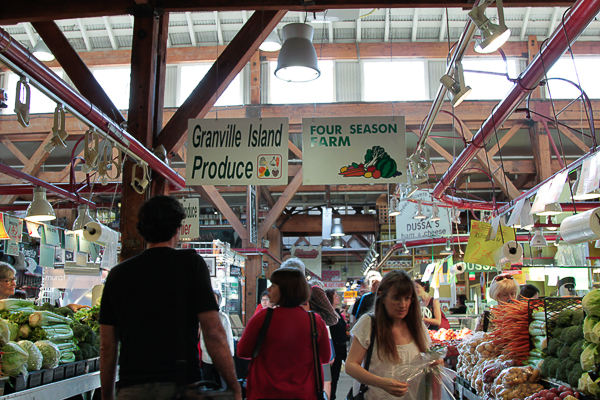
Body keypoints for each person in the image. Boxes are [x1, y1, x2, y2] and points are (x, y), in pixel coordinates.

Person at [99, 195, 241, 400]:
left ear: (142, 230)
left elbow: (107, 345)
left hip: (132, 388)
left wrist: (106, 396)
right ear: (178, 229)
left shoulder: (118, 275)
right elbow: (213, 332)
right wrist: (233, 386)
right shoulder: (190, 265)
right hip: (181, 386)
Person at [237, 258, 330, 400]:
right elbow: (325, 358)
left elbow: (242, 351)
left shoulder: (262, 317)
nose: (268, 289)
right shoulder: (315, 321)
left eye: (273, 285)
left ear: (286, 289)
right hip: (304, 394)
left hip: (264, 393)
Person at [346, 270, 432, 400]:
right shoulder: (368, 323)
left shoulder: (417, 326)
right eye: (396, 298)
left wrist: (435, 362)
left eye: (407, 298)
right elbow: (351, 366)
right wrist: (381, 383)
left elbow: (428, 358)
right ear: (382, 297)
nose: (403, 305)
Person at [307, 279, 338, 399]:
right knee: (324, 381)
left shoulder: (267, 315)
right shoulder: (316, 318)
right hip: (317, 349)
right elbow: (332, 319)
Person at [200, 290, 235, 389]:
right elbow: (202, 338)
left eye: (215, 299)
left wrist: (229, 357)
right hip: (206, 358)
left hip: (220, 359)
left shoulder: (223, 318)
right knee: (207, 385)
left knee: (220, 386)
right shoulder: (203, 317)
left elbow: (229, 338)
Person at [326, 289, 347, 400]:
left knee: (335, 381)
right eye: (335, 296)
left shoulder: (337, 312)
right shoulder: (327, 315)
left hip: (339, 352)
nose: (338, 297)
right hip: (332, 352)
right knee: (330, 381)